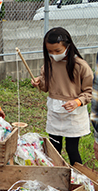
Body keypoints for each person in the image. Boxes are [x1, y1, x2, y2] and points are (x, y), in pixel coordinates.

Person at [31, 27, 93, 165]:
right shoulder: (48, 64)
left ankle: (79, 179)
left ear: (68, 46)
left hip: (73, 113)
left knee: (72, 149)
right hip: (55, 112)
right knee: (54, 148)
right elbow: (46, 87)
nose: (54, 54)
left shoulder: (81, 66)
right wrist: (39, 82)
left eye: (57, 51)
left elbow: (89, 92)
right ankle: (57, 176)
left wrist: (77, 101)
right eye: (50, 51)